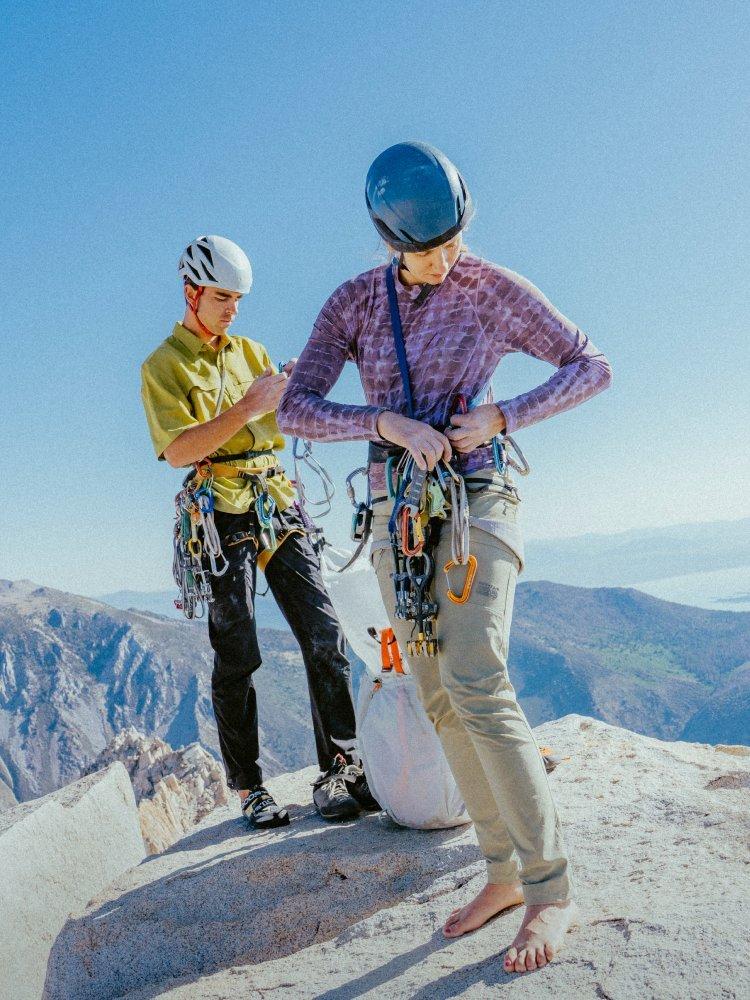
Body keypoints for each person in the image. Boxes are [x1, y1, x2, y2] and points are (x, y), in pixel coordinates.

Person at [277, 143, 612, 973]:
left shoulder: (490, 286)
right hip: (399, 519)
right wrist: (386, 425)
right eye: (431, 247)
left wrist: (501, 416)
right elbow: (297, 408)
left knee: (476, 679)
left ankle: (551, 890)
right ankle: (500, 871)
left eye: (457, 236)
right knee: (437, 693)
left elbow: (591, 365)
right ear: (388, 239)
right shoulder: (354, 303)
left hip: (478, 498)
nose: (449, 256)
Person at [140, 235, 378, 828]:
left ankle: (343, 764)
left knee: (323, 631)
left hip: (273, 499)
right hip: (219, 510)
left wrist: (294, 387)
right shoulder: (163, 367)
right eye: (222, 297)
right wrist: (247, 408)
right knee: (238, 649)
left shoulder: (252, 351)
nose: (233, 309)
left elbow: (284, 416)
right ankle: (249, 786)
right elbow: (177, 450)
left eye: (239, 298)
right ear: (191, 292)